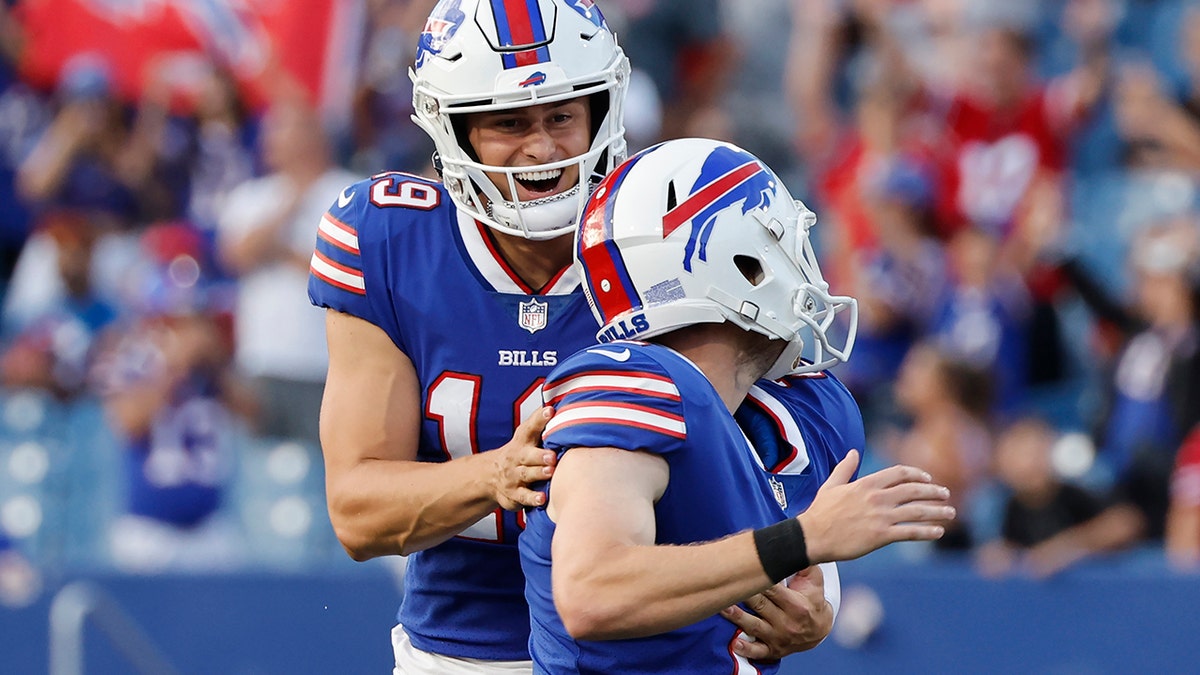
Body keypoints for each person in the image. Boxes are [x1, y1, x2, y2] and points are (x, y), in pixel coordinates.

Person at [310, 1, 857, 671]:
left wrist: (818, 590)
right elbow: (357, 513)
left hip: (644, 649)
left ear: (605, 108)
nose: (542, 147)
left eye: (563, 115)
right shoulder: (391, 238)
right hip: (459, 654)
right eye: (510, 121)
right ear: (453, 128)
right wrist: (496, 473)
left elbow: (780, 431)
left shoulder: (663, 217)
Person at [520, 137, 953, 673]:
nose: (804, 264)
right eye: (781, 242)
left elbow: (801, 574)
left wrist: (814, 616)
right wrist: (804, 539)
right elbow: (592, 593)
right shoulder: (634, 386)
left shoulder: (809, 407)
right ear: (742, 266)